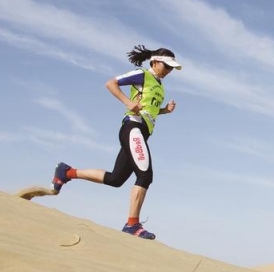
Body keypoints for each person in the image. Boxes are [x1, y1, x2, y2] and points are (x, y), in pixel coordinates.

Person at [50, 45, 182, 240]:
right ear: (155, 61)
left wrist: (164, 111)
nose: (169, 70)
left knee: (115, 179)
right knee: (145, 175)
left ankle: (67, 172)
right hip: (132, 128)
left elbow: (148, 109)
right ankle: (132, 224)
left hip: (142, 133)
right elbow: (111, 83)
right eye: (167, 66)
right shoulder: (142, 74)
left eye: (172, 68)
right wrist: (127, 103)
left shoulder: (159, 85)